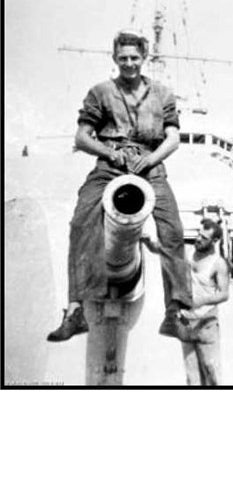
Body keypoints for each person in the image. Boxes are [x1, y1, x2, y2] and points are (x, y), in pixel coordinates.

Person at [47, 29, 192, 342]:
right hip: (110, 164)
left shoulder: (163, 94)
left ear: (144, 59)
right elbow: (83, 137)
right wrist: (111, 153)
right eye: (123, 58)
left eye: (135, 58)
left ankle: (176, 311)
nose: (129, 64)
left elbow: (173, 138)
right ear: (115, 58)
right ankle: (75, 311)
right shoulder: (100, 92)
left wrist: (151, 160)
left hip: (150, 165)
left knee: (172, 229)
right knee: (82, 220)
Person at [142, 218, 230, 385]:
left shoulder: (219, 264)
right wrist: (148, 243)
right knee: (192, 376)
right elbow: (161, 249)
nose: (198, 239)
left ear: (215, 241)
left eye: (204, 238)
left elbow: (224, 294)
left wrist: (203, 300)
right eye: (199, 234)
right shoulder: (187, 252)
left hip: (206, 324)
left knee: (211, 371)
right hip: (185, 321)